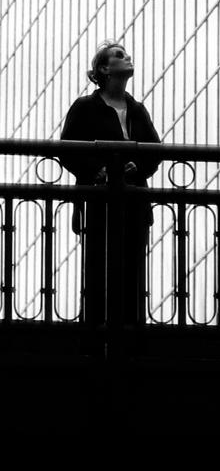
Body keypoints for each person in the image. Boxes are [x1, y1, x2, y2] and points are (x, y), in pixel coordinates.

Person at [59, 41, 161, 331]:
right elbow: (67, 150)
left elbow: (155, 152)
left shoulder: (136, 109)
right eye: (119, 55)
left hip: (133, 201)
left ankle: (131, 334)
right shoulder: (85, 107)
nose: (127, 57)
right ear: (104, 69)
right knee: (99, 269)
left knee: (133, 270)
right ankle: (95, 334)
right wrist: (97, 171)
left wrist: (137, 167)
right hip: (98, 201)